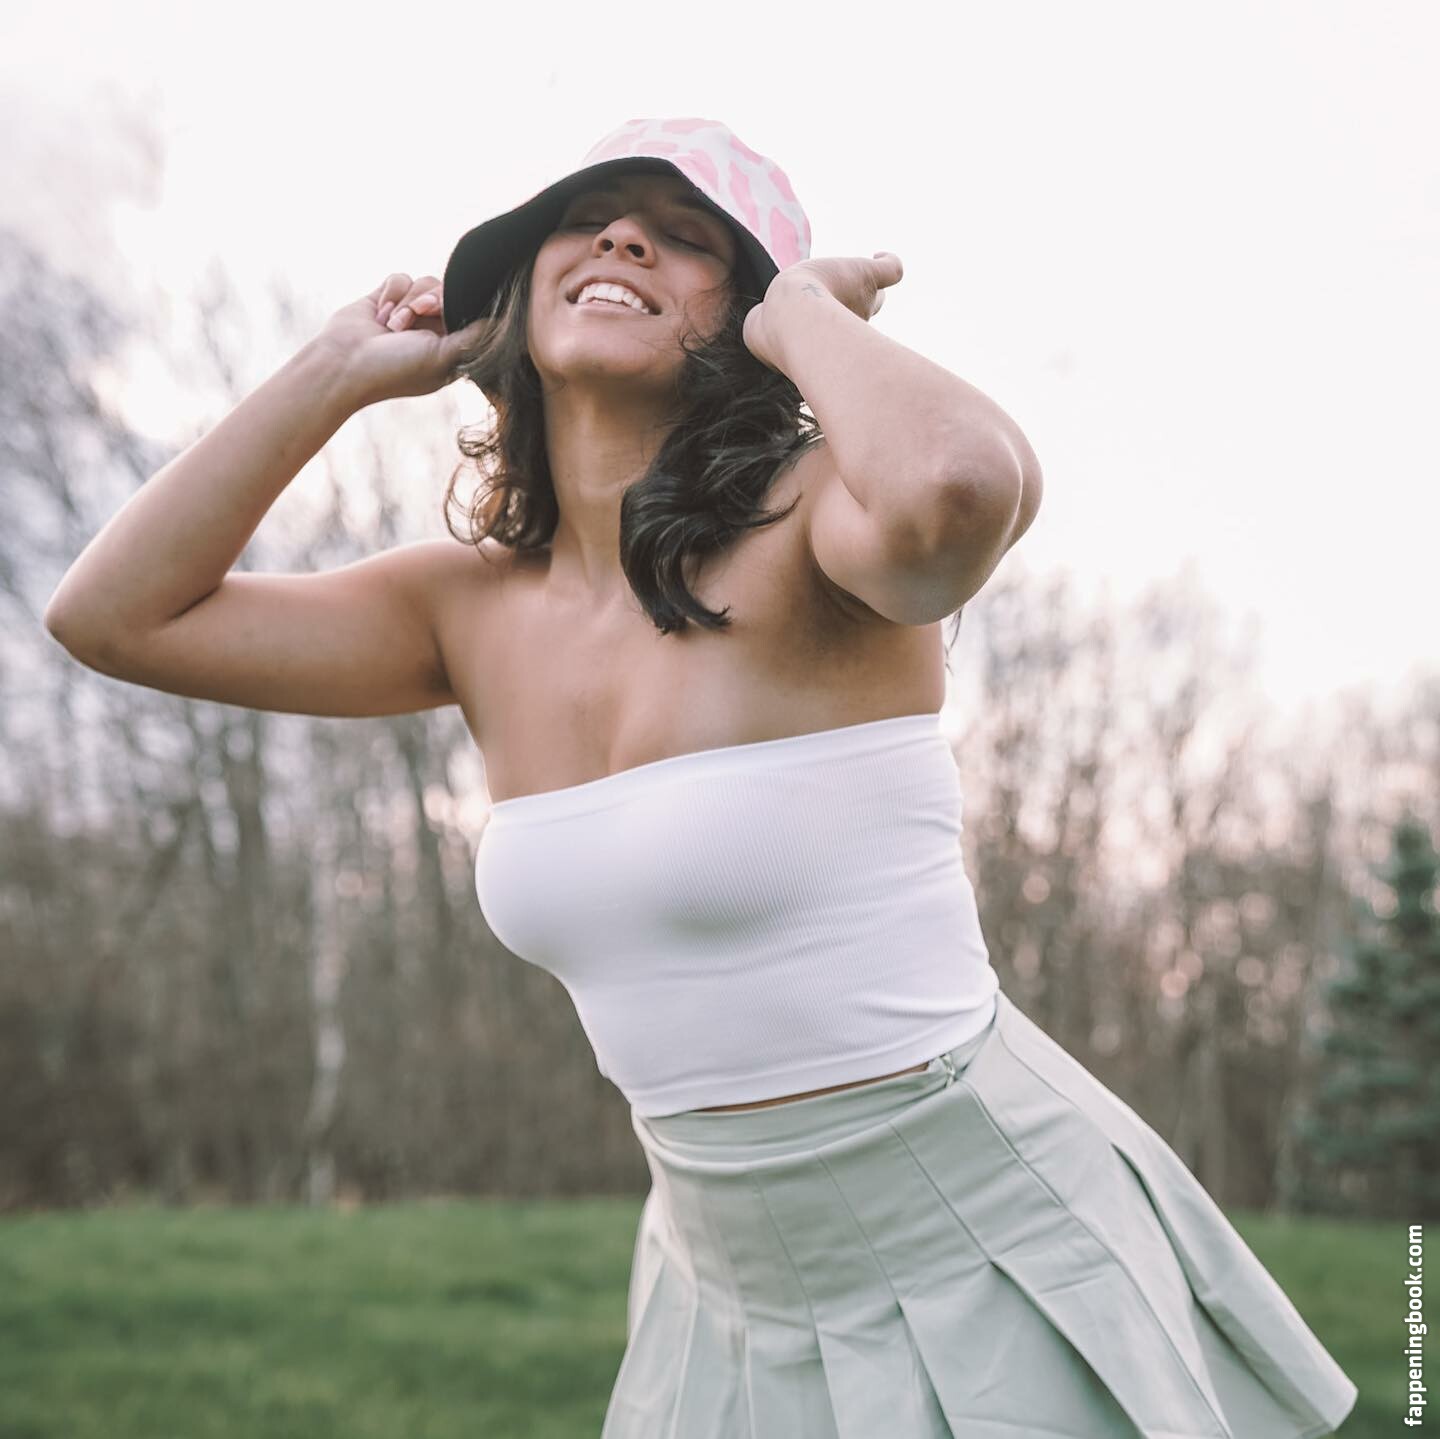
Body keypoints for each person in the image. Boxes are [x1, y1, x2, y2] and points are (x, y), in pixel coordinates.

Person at [44, 117, 1358, 1438]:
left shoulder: (818, 529)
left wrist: (807, 319)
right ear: (519, 288)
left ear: (746, 322)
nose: (625, 238)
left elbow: (961, 488)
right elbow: (114, 619)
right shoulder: (464, 609)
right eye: (589, 218)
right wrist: (333, 370)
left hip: (982, 1235)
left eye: (688, 238)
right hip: (722, 1287)